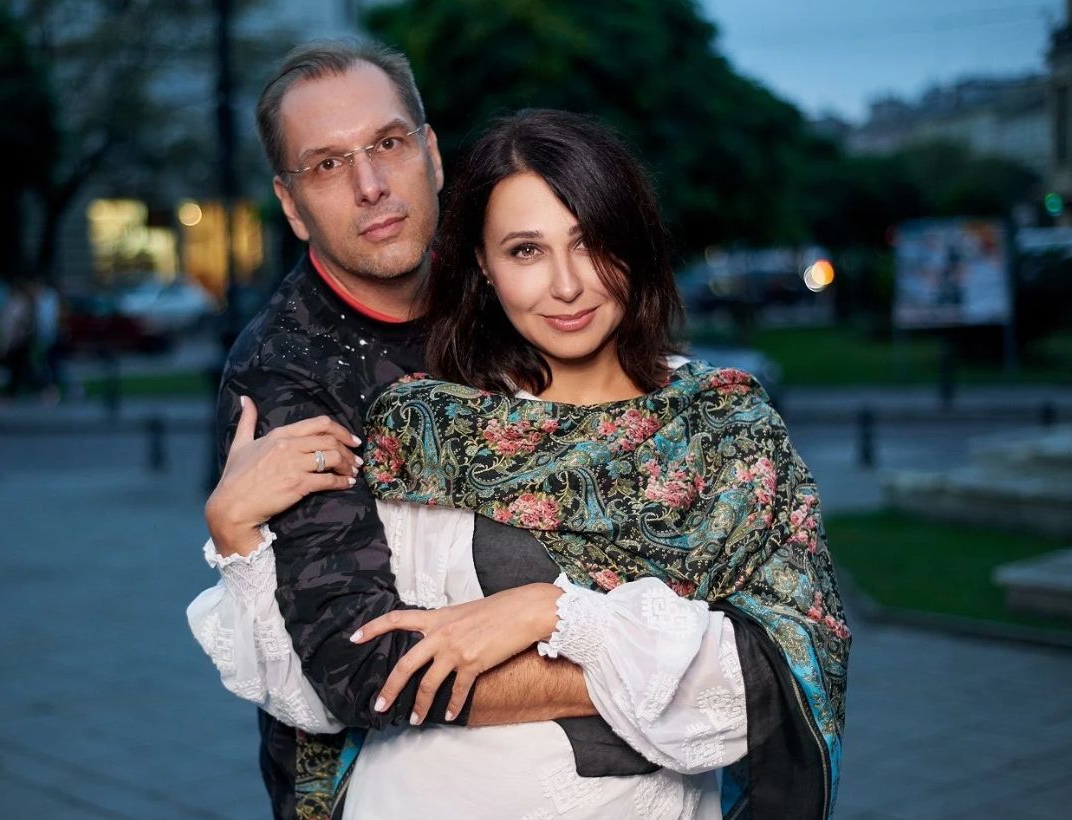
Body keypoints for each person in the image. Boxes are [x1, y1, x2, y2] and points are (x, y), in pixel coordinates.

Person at [193, 105, 849, 817]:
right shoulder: (419, 426)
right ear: (484, 266)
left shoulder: (722, 429)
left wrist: (551, 612)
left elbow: (767, 688)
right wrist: (237, 537)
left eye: (590, 242)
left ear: (635, 243)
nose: (566, 286)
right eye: (526, 251)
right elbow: (325, 694)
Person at [189, 41, 601, 820]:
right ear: (290, 204)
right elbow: (363, 666)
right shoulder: (286, 374)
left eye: (387, 143)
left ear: (432, 154)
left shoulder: (510, 281)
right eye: (328, 165)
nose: (371, 185)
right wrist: (646, 674)